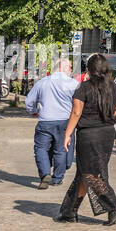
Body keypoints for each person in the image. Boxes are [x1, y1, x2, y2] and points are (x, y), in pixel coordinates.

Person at [57, 54, 116, 225]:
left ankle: (113, 205)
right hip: (107, 133)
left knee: (90, 173)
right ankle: (69, 211)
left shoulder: (84, 87)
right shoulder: (113, 87)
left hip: (89, 135)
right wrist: (106, 115)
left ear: (89, 69)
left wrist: (67, 134)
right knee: (84, 173)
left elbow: (76, 112)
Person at [25, 59, 80, 189]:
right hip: (65, 121)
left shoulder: (42, 82)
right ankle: (57, 178)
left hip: (45, 120)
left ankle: (45, 174)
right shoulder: (73, 84)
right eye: (70, 67)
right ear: (63, 67)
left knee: (41, 148)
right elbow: (79, 103)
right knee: (60, 150)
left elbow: (29, 102)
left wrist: (33, 112)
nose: (71, 70)